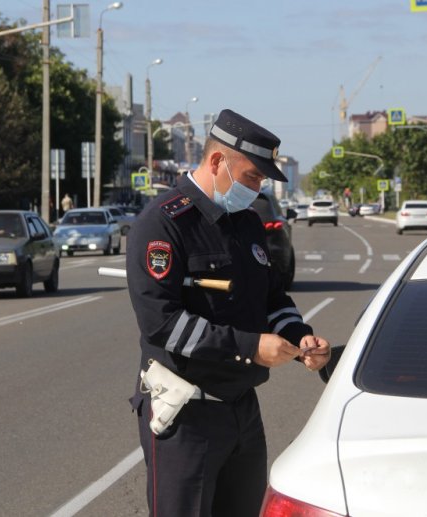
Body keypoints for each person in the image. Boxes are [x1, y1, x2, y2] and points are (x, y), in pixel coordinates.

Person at [126, 109, 331, 517]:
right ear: (218, 162)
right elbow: (162, 323)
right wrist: (250, 347)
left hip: (242, 411)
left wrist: (300, 337)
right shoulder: (163, 225)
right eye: (253, 177)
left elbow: (272, 298)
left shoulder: (247, 224)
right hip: (187, 416)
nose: (256, 189)